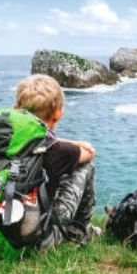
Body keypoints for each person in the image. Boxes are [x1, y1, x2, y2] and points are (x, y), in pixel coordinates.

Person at [13, 74, 99, 249]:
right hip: (35, 242)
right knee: (84, 168)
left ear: (16, 108)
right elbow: (89, 152)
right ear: (58, 114)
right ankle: (79, 230)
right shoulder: (59, 151)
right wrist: (71, 144)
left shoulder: (1, 138)